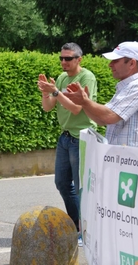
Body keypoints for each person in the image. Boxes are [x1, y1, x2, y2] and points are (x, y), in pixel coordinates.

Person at [37, 42, 98, 247]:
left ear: (79, 59)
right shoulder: (62, 78)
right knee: (62, 183)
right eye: (61, 58)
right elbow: (48, 107)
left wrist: (55, 92)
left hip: (81, 137)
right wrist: (46, 92)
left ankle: (84, 230)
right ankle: (75, 225)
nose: (64, 62)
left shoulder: (86, 77)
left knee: (81, 187)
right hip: (65, 137)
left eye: (68, 58)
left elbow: (75, 109)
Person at [64, 41, 138, 148]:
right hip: (124, 159)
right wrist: (84, 103)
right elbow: (100, 119)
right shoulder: (128, 87)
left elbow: (108, 116)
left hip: (132, 161)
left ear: (132, 63)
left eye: (115, 60)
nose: (110, 64)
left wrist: (85, 101)